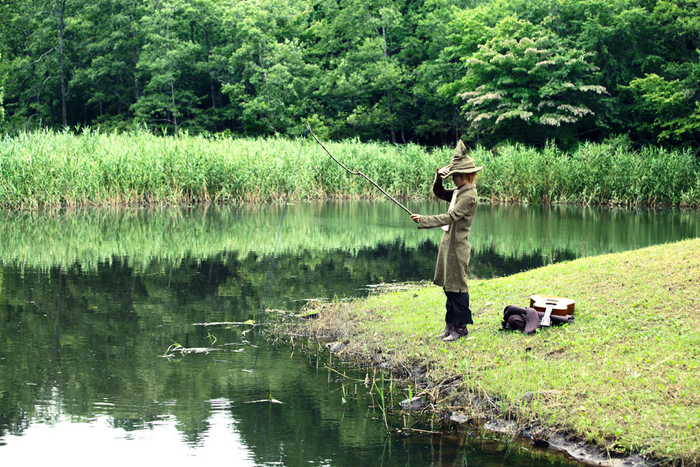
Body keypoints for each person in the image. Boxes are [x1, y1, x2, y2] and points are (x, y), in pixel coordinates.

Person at [410, 140, 482, 342]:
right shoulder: (460, 191)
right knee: (448, 286)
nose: (454, 180)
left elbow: (451, 217)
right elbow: (439, 193)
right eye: (452, 176)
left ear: (466, 175)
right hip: (447, 242)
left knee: (458, 286)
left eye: (456, 176)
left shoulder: (469, 195)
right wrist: (438, 177)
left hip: (458, 246)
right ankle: (450, 326)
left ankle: (461, 328)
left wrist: (424, 220)